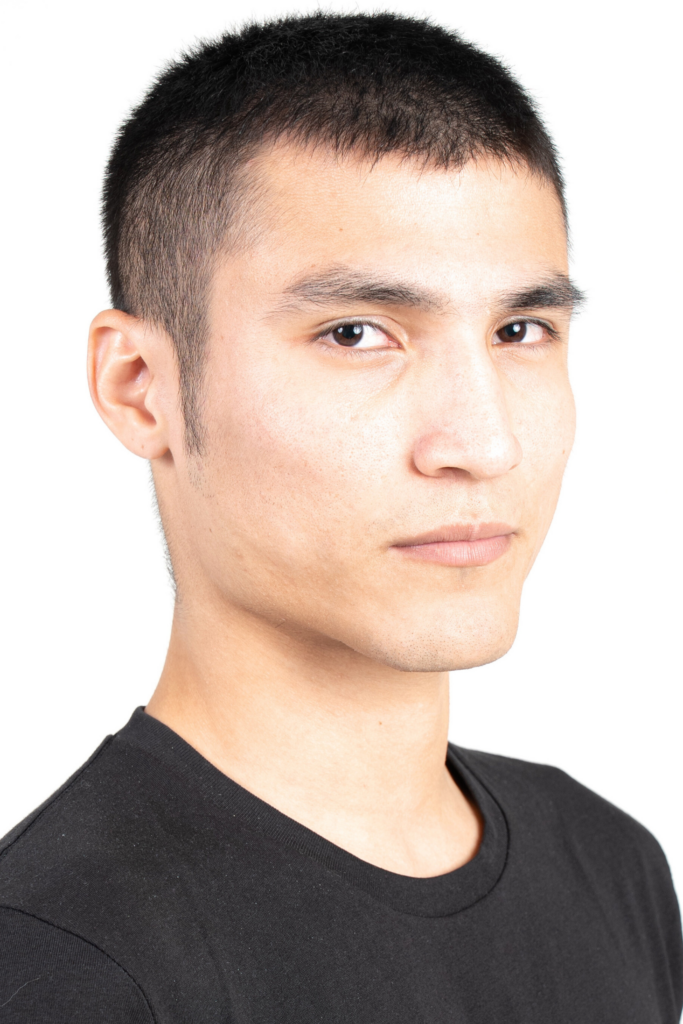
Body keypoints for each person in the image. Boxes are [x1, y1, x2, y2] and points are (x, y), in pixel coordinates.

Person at [0, 11, 680, 1022]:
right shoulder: (61, 960)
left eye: (519, 329)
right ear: (139, 386)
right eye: (357, 333)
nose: (483, 442)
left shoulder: (608, 862)